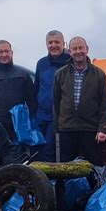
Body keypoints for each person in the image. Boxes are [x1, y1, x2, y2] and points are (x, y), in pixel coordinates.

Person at [53, 36, 106, 168]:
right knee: (66, 169)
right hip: (66, 130)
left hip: (91, 130)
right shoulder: (60, 74)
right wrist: (58, 128)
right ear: (70, 51)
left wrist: (103, 129)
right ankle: (67, 189)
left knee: (95, 168)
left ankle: (96, 189)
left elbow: (105, 104)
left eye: (81, 48)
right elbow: (56, 103)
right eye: (74, 49)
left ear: (87, 49)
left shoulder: (99, 74)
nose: (78, 51)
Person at [0, 40, 36, 140]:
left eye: (6, 51)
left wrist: (32, 121)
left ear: (11, 53)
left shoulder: (23, 74)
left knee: (20, 154)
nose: (4, 54)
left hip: (19, 124)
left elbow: (32, 101)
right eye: (0, 52)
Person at [34, 30, 70, 161]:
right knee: (37, 149)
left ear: (63, 43)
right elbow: (36, 86)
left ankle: (52, 181)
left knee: (50, 150)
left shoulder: (70, 62)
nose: (53, 45)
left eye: (57, 42)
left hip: (59, 117)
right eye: (50, 42)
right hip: (41, 115)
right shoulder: (41, 63)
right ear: (46, 44)